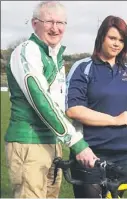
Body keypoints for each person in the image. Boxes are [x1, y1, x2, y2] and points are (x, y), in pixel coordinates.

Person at [65, 15, 127, 198]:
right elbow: (74, 109)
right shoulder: (83, 67)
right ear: (101, 37)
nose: (117, 44)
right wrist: (115, 120)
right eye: (112, 38)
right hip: (91, 153)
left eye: (121, 40)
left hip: (124, 155)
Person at [4, 1, 97, 198]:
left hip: (53, 141)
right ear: (34, 23)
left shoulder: (54, 55)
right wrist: (77, 143)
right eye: (49, 22)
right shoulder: (27, 50)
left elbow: (58, 104)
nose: (55, 28)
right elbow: (41, 99)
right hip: (29, 141)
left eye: (60, 22)